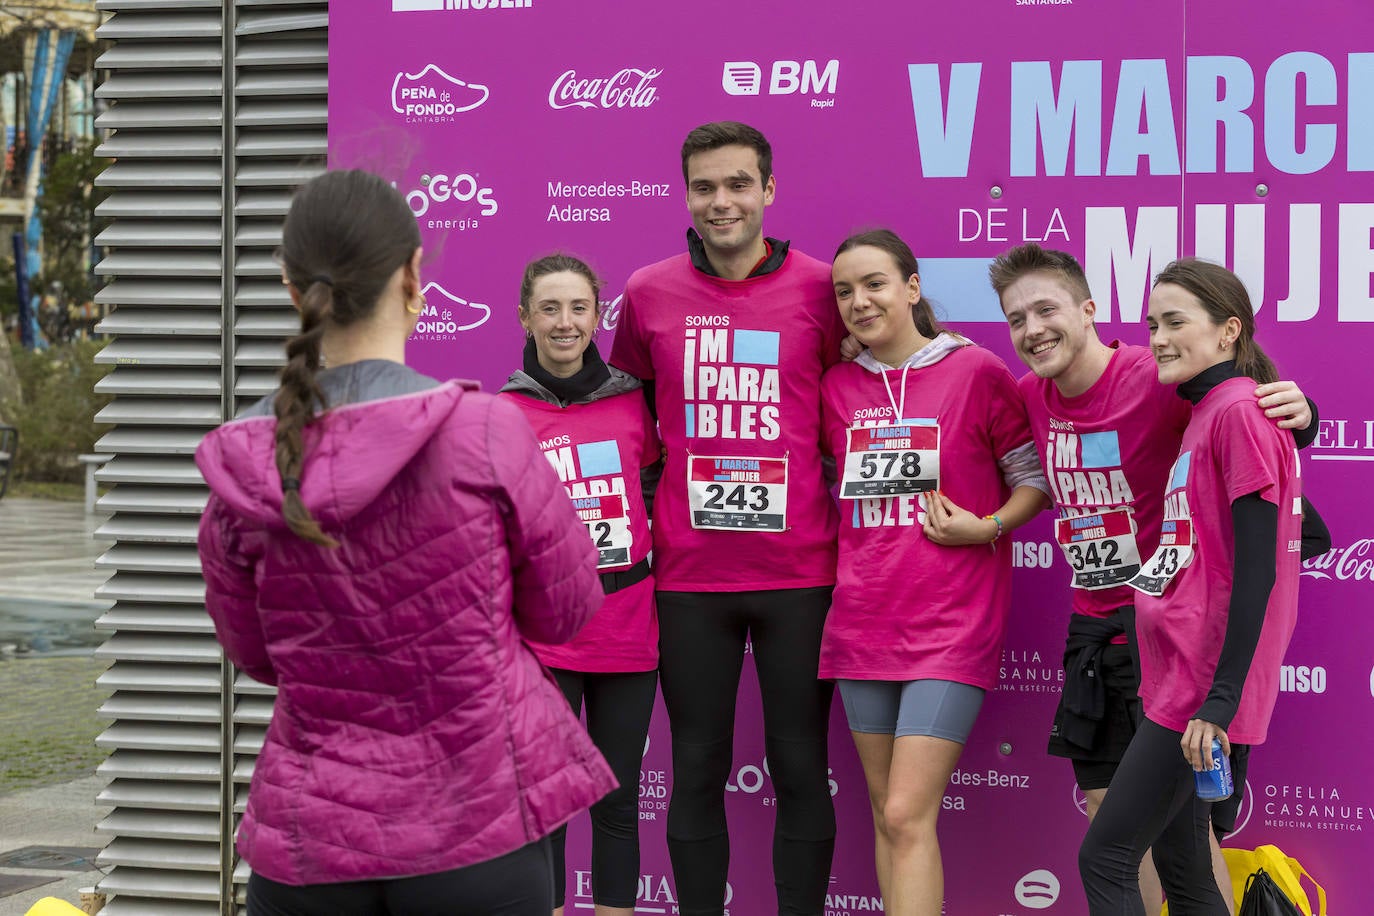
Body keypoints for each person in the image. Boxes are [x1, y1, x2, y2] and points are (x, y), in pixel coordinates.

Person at [193, 170, 616, 916]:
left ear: (294, 289)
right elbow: (568, 609)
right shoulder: (485, 432)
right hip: (477, 823)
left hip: (310, 838)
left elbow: (256, 654)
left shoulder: (244, 460)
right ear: (415, 276)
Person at [988, 244, 1318, 913]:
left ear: (1087, 309)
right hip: (1104, 628)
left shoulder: (1165, 381)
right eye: (1015, 318)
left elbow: (1254, 433)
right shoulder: (1028, 393)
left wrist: (1302, 414)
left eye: (1046, 309)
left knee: (1178, 838)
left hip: (1187, 644)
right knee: (1119, 820)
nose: (1032, 329)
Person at [609, 121, 846, 916]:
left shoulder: (823, 287)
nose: (722, 202)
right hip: (687, 579)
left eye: (739, 184)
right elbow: (623, 416)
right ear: (685, 193)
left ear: (769, 190)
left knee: (801, 768)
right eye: (705, 186)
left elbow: (888, 385)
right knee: (697, 768)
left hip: (802, 575)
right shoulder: (647, 291)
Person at [820, 230, 1049, 915]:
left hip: (951, 623)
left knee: (905, 810)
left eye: (874, 284)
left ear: (913, 287)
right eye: (844, 292)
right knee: (888, 816)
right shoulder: (836, 386)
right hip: (862, 622)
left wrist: (988, 527)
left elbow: (1032, 480)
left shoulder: (976, 371)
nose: (859, 302)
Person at [1077, 258, 1304, 914]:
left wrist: (1219, 702)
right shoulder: (1208, 410)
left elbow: (1260, 569)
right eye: (1152, 324)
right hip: (1178, 677)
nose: (1159, 338)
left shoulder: (1236, 411)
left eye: (1176, 322)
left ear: (1229, 331)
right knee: (1184, 867)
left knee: (1106, 857)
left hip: (1199, 691)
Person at [499, 254, 661, 916]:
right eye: (549, 308)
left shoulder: (633, 401)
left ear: (599, 315)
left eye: (577, 309)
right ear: (525, 317)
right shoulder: (501, 412)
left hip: (628, 630)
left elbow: (652, 490)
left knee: (619, 801)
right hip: (546, 640)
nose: (564, 323)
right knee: (549, 801)